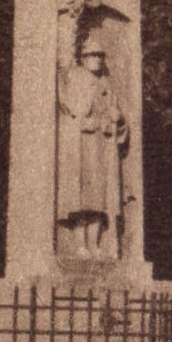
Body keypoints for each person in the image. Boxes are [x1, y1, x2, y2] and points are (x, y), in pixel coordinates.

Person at [56, 32, 128, 257]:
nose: (97, 59)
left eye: (100, 55)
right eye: (92, 55)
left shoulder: (106, 85)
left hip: (102, 146)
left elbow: (118, 120)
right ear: (84, 57)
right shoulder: (75, 78)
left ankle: (96, 245)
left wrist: (119, 119)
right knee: (80, 197)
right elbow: (69, 106)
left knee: (100, 198)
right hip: (80, 146)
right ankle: (80, 245)